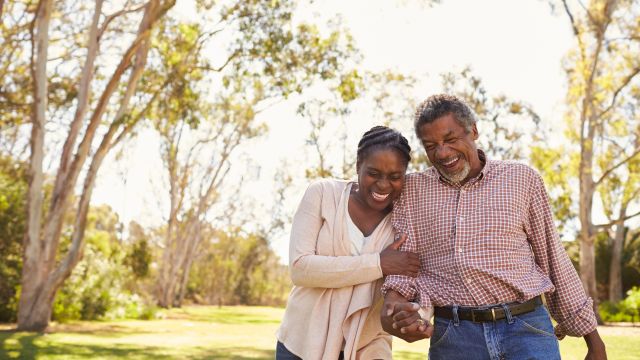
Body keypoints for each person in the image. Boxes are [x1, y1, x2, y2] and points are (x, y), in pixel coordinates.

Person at [379, 94, 607, 360]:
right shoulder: (412, 191)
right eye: (431, 145)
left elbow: (553, 257)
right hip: (454, 338)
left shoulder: (522, 179)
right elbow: (404, 265)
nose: (442, 153)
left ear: (473, 130)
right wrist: (394, 305)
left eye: (451, 140)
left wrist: (594, 341)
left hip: (526, 330)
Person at [276, 126, 420, 359]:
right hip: (301, 343)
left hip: (367, 345)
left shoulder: (404, 220)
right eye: (373, 173)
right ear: (357, 167)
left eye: (394, 177)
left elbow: (408, 280)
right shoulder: (322, 194)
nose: (383, 185)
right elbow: (300, 269)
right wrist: (378, 264)